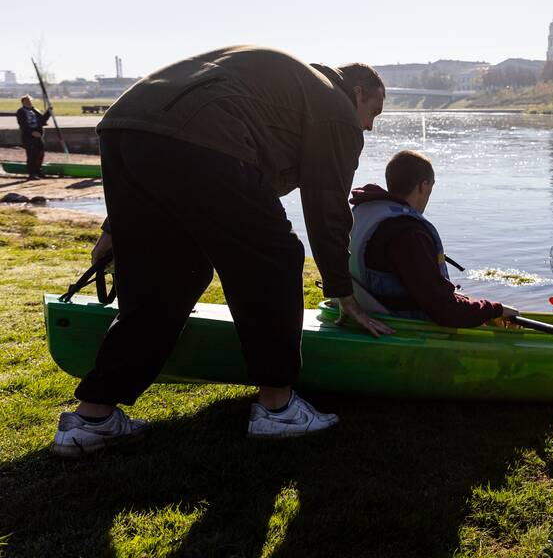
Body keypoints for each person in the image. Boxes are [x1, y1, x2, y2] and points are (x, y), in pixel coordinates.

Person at [53, 45, 393, 457]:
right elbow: (327, 209)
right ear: (357, 91)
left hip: (124, 127)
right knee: (277, 260)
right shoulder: (334, 108)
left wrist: (116, 226)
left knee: (169, 279)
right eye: (373, 111)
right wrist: (344, 292)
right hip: (201, 135)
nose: (371, 128)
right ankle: (278, 408)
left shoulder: (287, 88)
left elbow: (165, 130)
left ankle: (93, 417)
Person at [348, 150, 518, 327]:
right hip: (400, 324)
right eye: (431, 187)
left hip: (372, 309)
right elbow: (445, 311)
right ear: (423, 186)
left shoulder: (371, 214)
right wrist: (496, 310)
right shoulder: (408, 234)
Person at [16, 94, 52, 179]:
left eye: (30, 101)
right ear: (23, 102)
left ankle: (38, 171)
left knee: (40, 153)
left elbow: (42, 120)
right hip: (29, 136)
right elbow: (23, 124)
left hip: (38, 135)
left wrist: (48, 112)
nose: (29, 102)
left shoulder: (34, 110)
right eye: (27, 101)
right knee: (32, 155)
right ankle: (32, 173)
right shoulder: (21, 111)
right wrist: (32, 132)